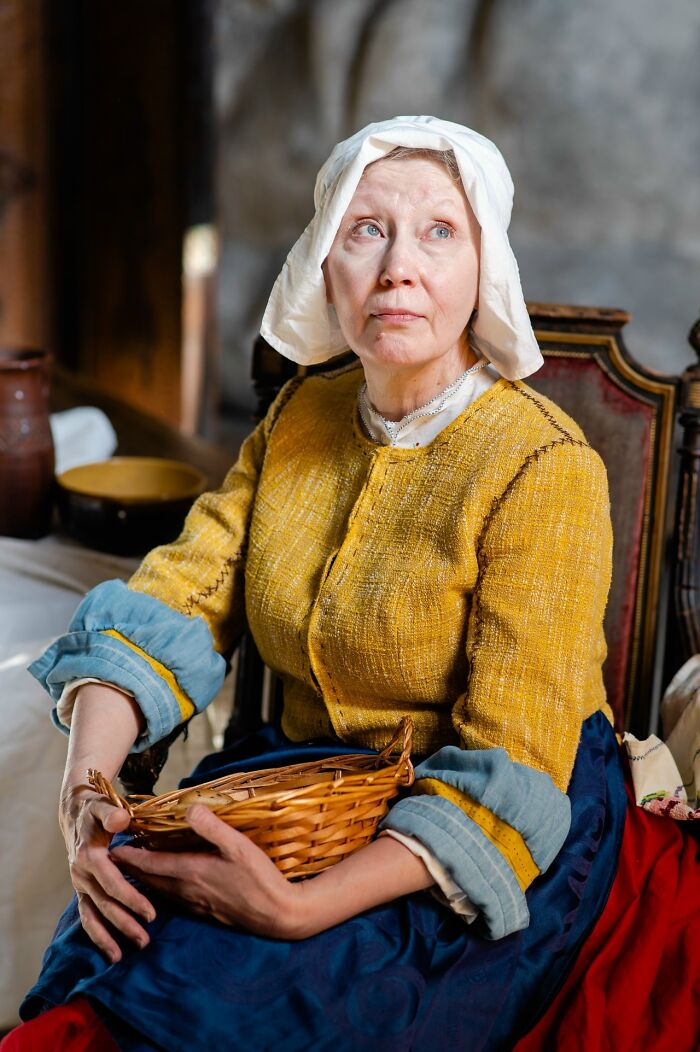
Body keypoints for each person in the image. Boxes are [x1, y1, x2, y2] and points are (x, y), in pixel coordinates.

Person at [4, 117, 625, 1051]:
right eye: (366, 229)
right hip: (304, 785)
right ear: (324, 261)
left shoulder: (544, 468)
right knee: (107, 956)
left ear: (484, 267)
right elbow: (175, 595)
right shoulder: (301, 415)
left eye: (439, 232)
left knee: (227, 1004)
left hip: (473, 826)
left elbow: (515, 762)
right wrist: (84, 794)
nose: (398, 269)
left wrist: (296, 910)